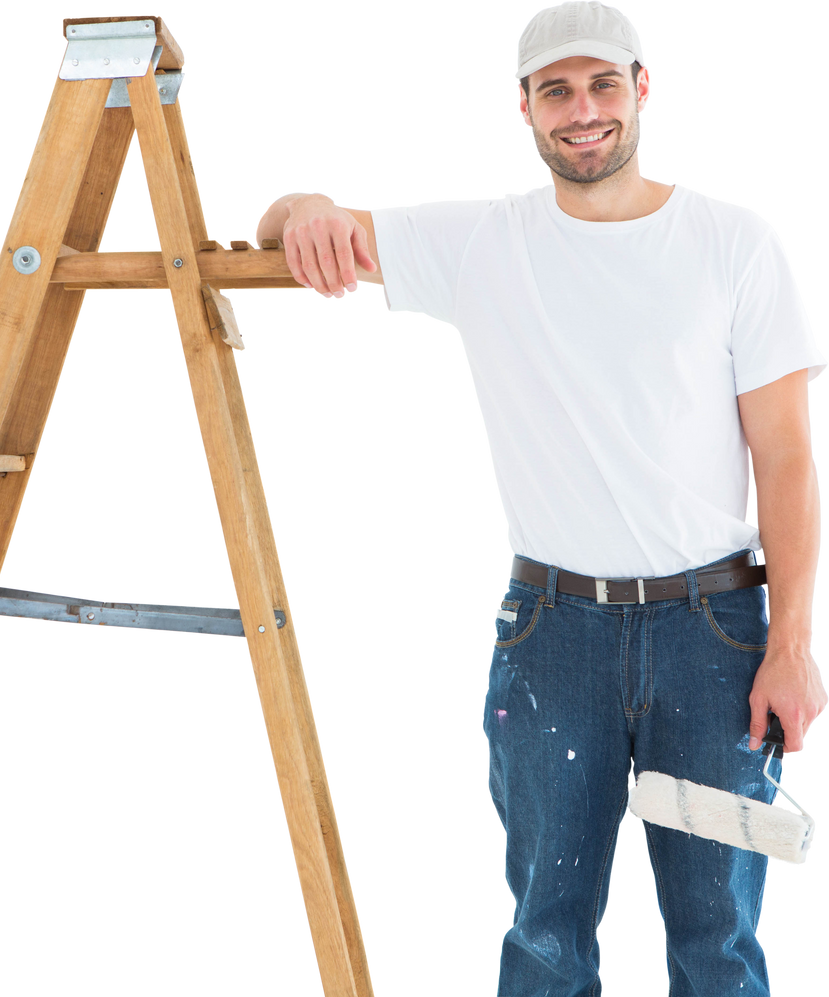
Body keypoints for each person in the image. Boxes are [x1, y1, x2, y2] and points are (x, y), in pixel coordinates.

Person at [253, 2, 827, 994]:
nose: (584, 109)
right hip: (552, 636)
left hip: (718, 634)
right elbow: (292, 223)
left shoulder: (735, 242)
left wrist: (792, 645)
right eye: (556, 90)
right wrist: (303, 209)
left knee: (716, 943)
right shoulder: (484, 240)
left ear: (641, 88)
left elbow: (787, 462)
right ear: (525, 106)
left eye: (603, 84)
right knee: (545, 940)